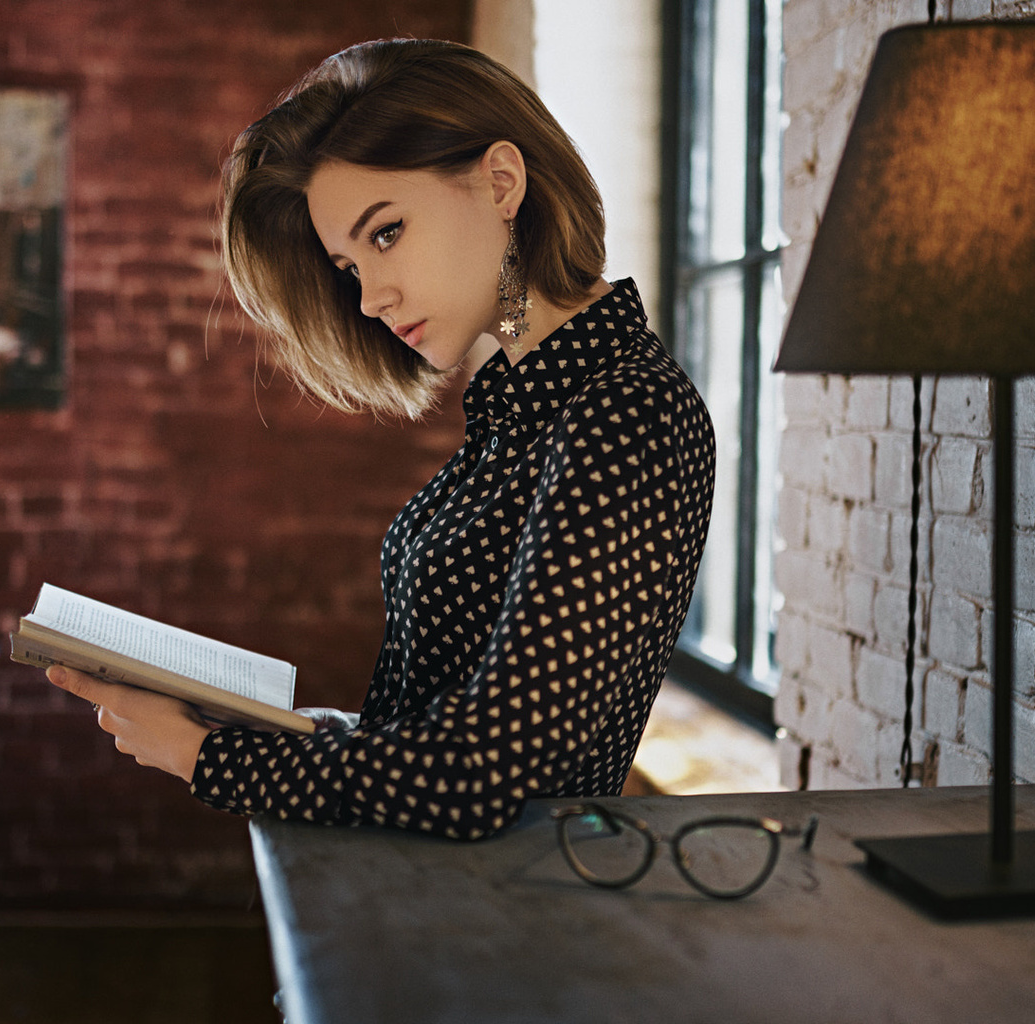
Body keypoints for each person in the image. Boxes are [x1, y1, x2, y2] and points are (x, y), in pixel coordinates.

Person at [47, 38, 715, 840]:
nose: (370, 298)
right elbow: (441, 721)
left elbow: (483, 776)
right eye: (349, 265)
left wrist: (206, 759)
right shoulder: (523, 401)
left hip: (501, 927)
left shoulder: (625, 411)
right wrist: (275, 727)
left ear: (501, 182)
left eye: (387, 233)